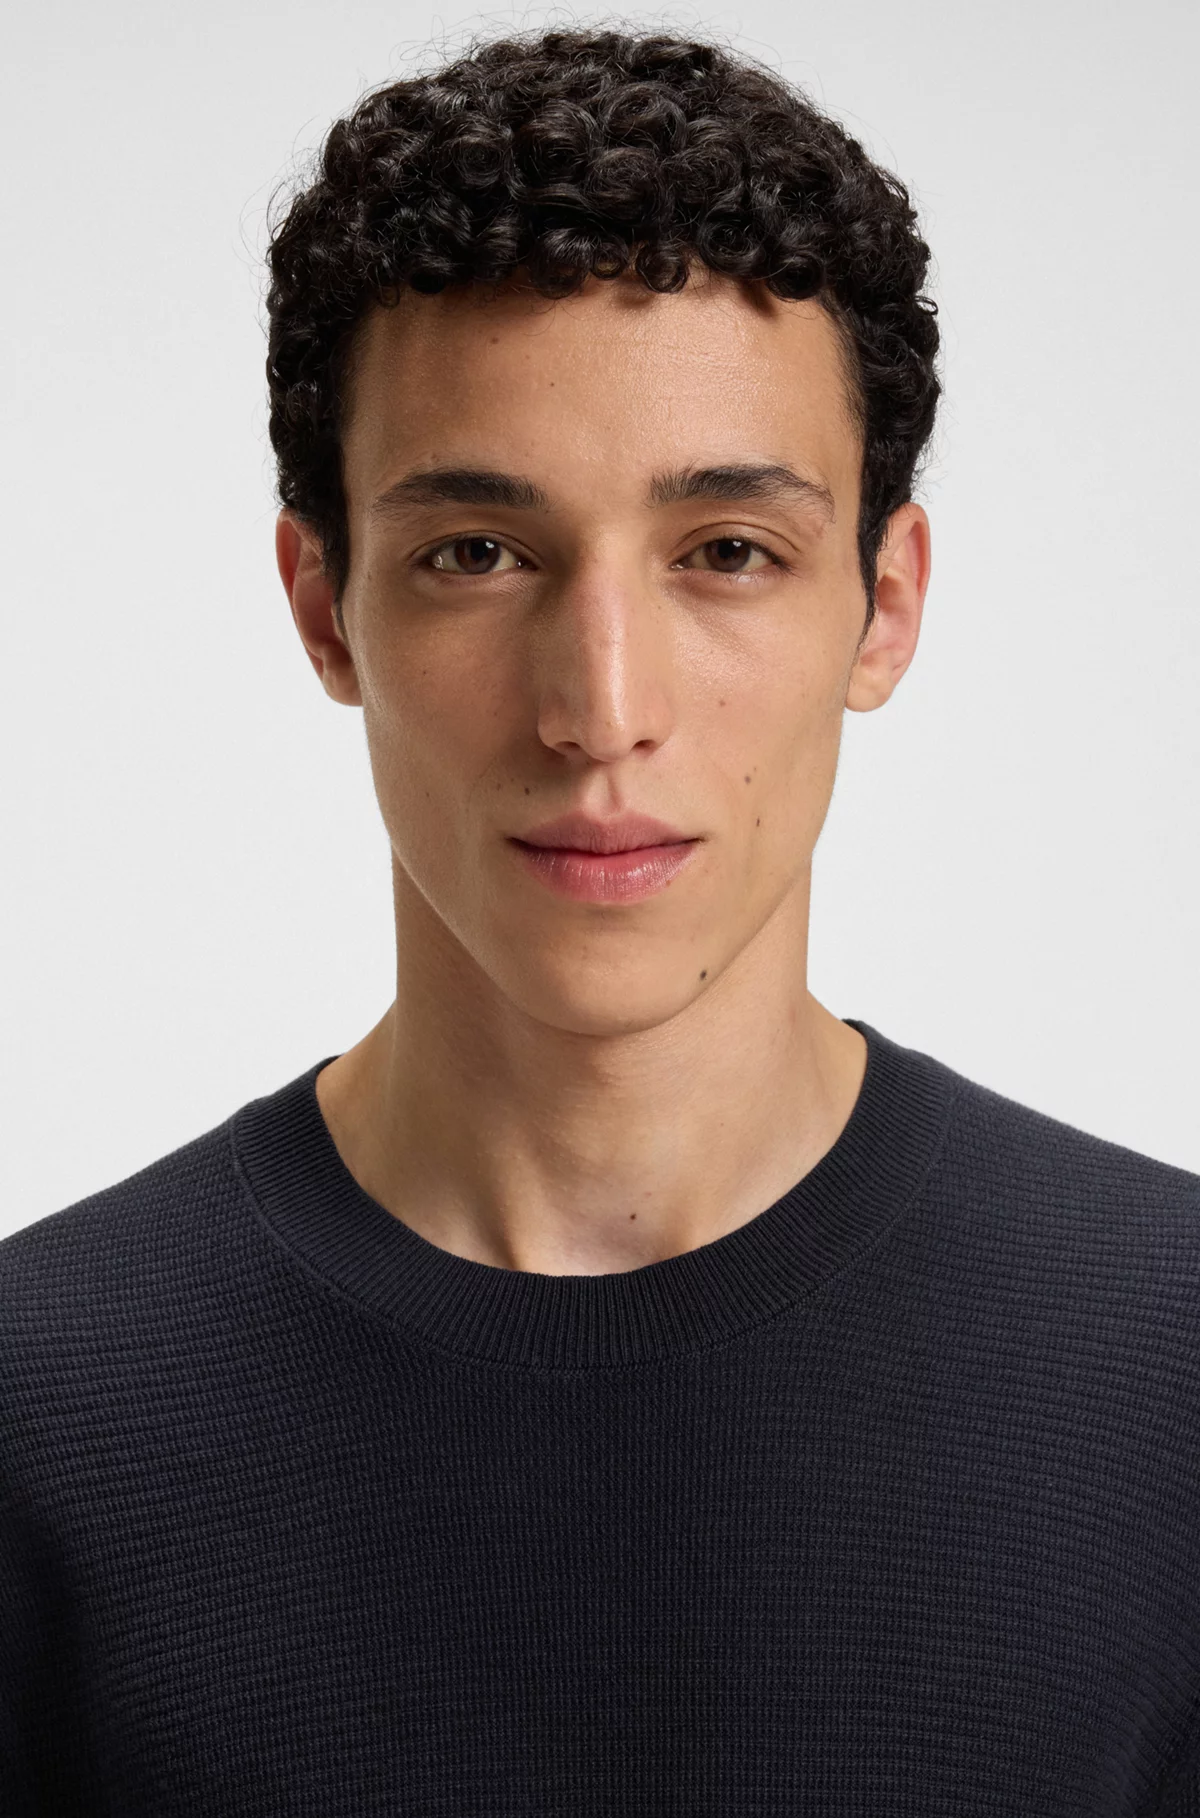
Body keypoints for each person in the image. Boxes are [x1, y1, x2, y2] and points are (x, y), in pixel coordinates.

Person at [2, 26, 1198, 1815]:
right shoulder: (40, 1419)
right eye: (478, 554)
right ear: (326, 607)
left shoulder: (1171, 1375)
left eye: (726, 550)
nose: (601, 707)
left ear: (883, 606)